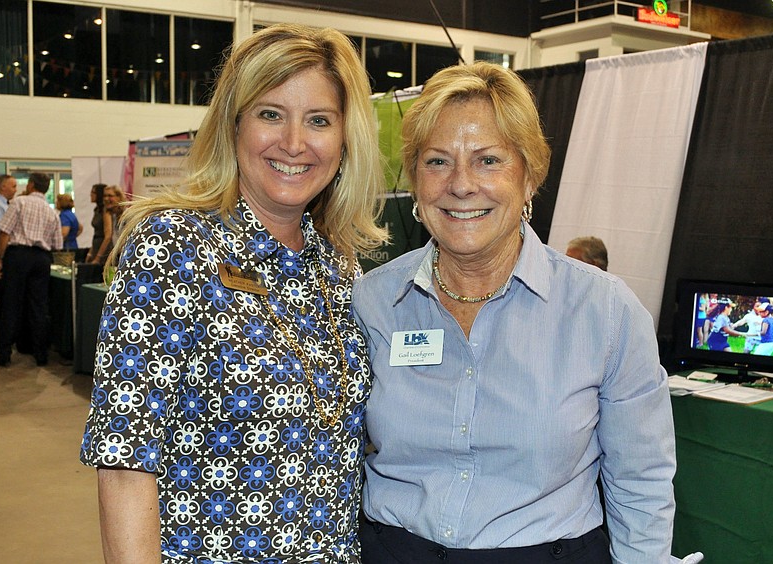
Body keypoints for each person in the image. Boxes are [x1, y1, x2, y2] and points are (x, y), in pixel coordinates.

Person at [80, 23, 386, 563]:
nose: (294, 143)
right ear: (234, 123)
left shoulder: (338, 266)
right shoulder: (173, 245)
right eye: (271, 113)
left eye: (319, 120)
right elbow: (126, 465)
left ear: (344, 138)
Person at [353, 62, 676, 564]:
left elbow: (642, 480)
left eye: (488, 161)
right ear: (415, 180)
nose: (461, 185)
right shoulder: (372, 302)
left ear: (529, 177)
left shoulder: (606, 313)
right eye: (437, 161)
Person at [0, 172, 63, 367]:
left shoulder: (19, 203)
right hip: (41, 258)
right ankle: (41, 354)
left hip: (18, 256)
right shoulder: (52, 212)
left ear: (31, 185)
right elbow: (57, 243)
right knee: (38, 306)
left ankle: (4, 355)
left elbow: (5, 232)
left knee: (10, 305)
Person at [85, 183, 110, 264]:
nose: (90, 195)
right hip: (96, 245)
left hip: (103, 249)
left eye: (93, 192)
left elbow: (108, 236)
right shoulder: (97, 210)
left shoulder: (105, 211)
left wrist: (98, 257)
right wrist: (90, 252)